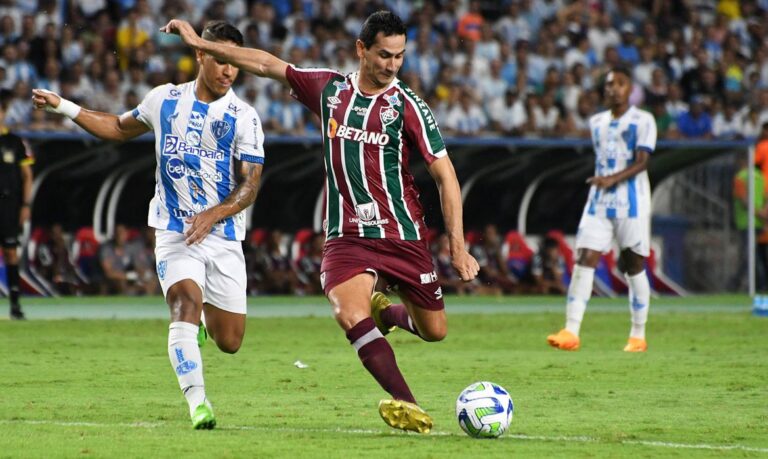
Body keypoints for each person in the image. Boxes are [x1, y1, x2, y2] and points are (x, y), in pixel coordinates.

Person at [162, 11, 479, 433]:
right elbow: (265, 63)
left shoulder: (408, 106)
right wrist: (201, 45)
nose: (392, 66)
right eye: (384, 55)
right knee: (348, 314)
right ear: (361, 50)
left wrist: (457, 246)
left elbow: (446, 176)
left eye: (400, 57)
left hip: (403, 235)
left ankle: (386, 313)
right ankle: (409, 403)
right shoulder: (330, 90)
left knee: (434, 331)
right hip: (346, 236)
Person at [32, 20, 265, 430]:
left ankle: (201, 330)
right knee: (184, 305)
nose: (228, 70)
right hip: (174, 230)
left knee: (230, 341)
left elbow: (250, 184)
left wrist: (215, 213)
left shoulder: (244, 117)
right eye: (220, 60)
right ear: (200, 55)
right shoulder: (164, 100)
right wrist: (62, 106)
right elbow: (120, 128)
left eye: (234, 63)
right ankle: (199, 405)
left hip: (224, 235)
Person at [547, 66, 657, 353]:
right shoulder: (597, 122)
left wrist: (611, 179)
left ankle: (638, 335)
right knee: (584, 259)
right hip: (599, 202)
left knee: (633, 266)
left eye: (619, 83)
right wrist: (603, 182)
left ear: (629, 88)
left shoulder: (644, 120)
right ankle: (571, 331)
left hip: (632, 204)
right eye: (609, 84)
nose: (613, 88)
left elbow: (643, 162)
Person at [0, 98, 34, 320]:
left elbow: (27, 176)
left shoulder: (15, 142)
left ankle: (14, 304)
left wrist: (26, 205)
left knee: (11, 253)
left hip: (9, 205)